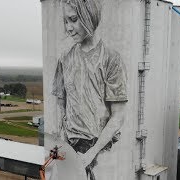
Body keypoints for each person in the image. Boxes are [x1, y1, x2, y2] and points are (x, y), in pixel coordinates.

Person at [51, 0, 128, 179]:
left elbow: (118, 115)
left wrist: (90, 155)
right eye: (65, 21)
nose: (68, 28)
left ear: (89, 16)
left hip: (101, 153)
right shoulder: (65, 58)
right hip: (70, 149)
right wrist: (60, 145)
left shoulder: (111, 58)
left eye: (73, 19)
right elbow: (61, 106)